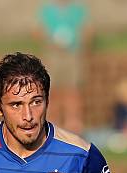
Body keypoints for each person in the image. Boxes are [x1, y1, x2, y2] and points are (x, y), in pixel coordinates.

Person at [38, 0, 90, 133]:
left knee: (72, 90)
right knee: (51, 90)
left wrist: (78, 45)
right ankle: (53, 124)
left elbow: (87, 31)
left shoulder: (78, 9)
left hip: (72, 55)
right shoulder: (47, 10)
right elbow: (38, 31)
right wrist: (53, 43)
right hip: (53, 55)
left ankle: (73, 124)